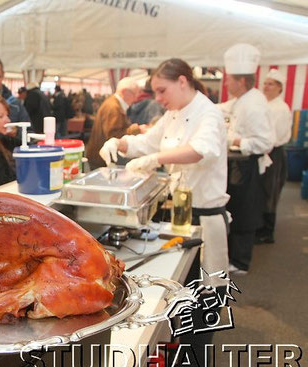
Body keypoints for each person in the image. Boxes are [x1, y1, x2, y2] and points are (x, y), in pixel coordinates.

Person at [99, 58, 230, 288]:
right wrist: (118, 143)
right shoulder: (172, 114)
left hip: (204, 214)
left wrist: (155, 159)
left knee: (208, 287)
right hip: (179, 210)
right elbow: (148, 141)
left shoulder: (208, 113)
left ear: (182, 81)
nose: (157, 99)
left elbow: (200, 150)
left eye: (162, 91)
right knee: (183, 286)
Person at [221, 43, 274, 275]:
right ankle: (236, 257)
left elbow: (265, 142)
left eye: (229, 79)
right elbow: (224, 108)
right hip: (238, 164)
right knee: (238, 208)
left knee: (245, 211)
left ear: (240, 81)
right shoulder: (242, 99)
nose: (225, 83)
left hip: (248, 164)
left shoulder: (254, 104)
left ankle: (241, 262)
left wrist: (235, 141)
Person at [256, 68, 292, 244]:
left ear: (279, 88)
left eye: (270, 84)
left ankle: (267, 232)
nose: (266, 87)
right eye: (265, 83)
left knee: (271, 191)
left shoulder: (281, 108)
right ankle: (260, 226)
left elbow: (274, 137)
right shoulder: (266, 105)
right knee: (262, 191)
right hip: (265, 151)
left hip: (273, 153)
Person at [86, 77, 141, 170]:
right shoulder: (113, 107)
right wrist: (136, 129)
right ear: (125, 92)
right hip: (102, 159)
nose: (136, 98)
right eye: (134, 94)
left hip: (100, 156)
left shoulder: (113, 104)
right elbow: (113, 135)